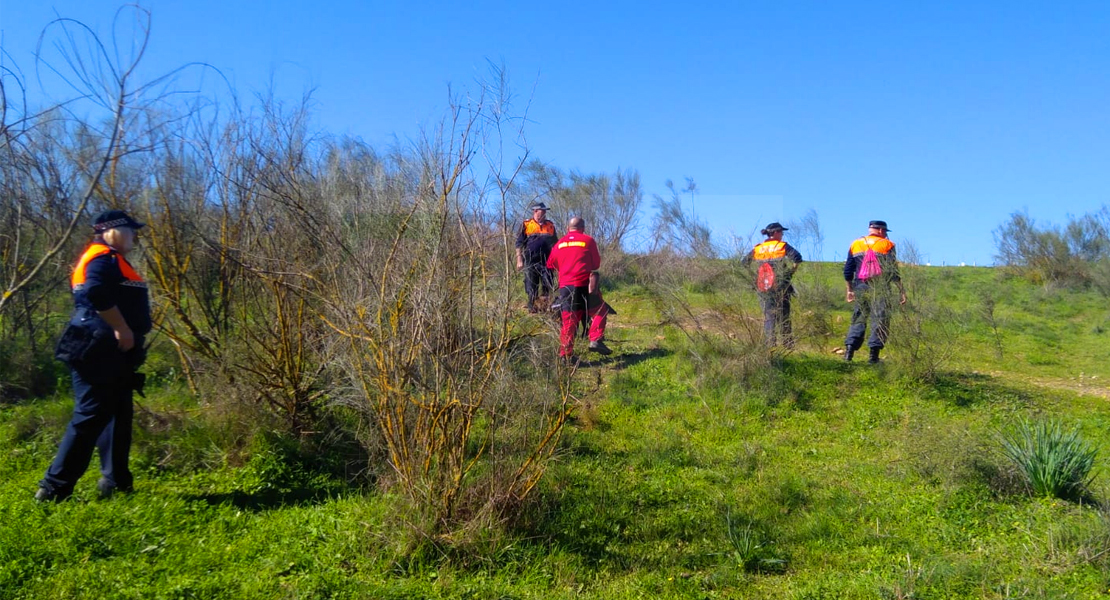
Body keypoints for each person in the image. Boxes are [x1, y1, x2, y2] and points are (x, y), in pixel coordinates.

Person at [37, 210, 151, 501]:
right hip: (98, 348)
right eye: (130, 230)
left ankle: (116, 483)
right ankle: (53, 489)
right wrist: (122, 327)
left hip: (107, 350)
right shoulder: (102, 257)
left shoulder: (108, 258)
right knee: (90, 416)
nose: (134, 236)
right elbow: (96, 292)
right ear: (112, 230)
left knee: (117, 413)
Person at [842, 219, 906, 363]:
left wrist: (850, 290)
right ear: (882, 231)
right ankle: (873, 357)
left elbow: (848, 271)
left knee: (859, 317)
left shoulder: (856, 244)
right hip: (880, 287)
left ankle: (849, 352)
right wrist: (902, 291)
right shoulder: (888, 245)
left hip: (860, 286)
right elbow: (892, 271)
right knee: (880, 318)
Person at [546, 217, 611, 357]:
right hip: (583, 285)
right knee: (600, 310)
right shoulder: (588, 240)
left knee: (569, 322)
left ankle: (565, 355)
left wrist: (564, 268)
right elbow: (595, 265)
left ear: (567, 228)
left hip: (565, 287)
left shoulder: (559, 243)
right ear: (583, 228)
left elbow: (550, 264)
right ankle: (595, 339)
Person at [743, 222, 803, 347]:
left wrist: (755, 278)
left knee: (769, 314)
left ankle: (770, 344)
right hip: (780, 284)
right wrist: (789, 273)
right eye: (781, 232)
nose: (782, 235)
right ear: (775, 232)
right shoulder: (781, 246)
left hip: (763, 286)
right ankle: (787, 344)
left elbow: (744, 263)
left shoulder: (758, 248)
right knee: (784, 313)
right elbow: (797, 258)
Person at [515, 202, 559, 313]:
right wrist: (519, 259)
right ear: (535, 211)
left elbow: (556, 244)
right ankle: (532, 309)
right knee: (531, 285)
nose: (544, 213)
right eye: (542, 210)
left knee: (547, 284)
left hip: (547, 261)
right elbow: (519, 243)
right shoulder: (526, 224)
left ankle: (544, 309)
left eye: (545, 211)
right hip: (531, 260)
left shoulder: (550, 225)